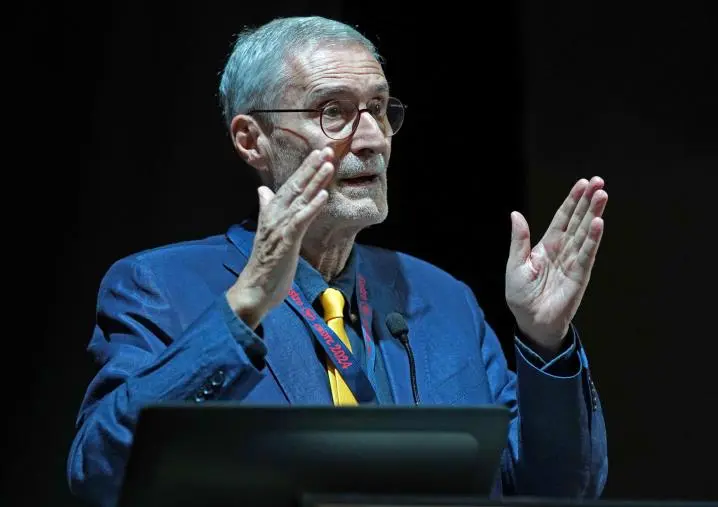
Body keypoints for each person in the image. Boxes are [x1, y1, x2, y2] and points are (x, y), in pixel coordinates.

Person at [67, 15, 609, 507]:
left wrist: (545, 342)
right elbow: (101, 472)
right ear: (251, 140)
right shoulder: (159, 286)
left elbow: (561, 490)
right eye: (334, 112)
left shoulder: (441, 299)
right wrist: (242, 310)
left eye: (378, 108)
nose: (372, 138)